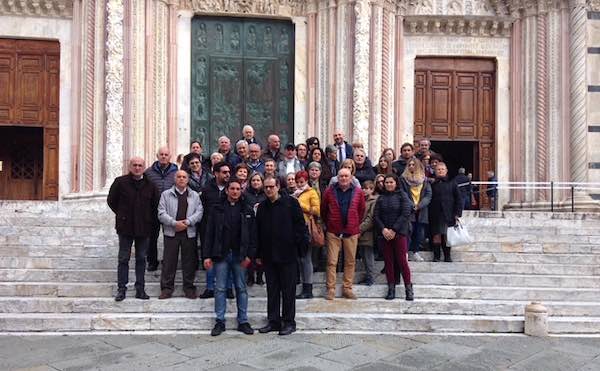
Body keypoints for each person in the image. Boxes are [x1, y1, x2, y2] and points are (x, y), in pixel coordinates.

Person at [203, 178, 257, 336]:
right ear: (226, 190)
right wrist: (206, 256)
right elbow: (209, 233)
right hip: (221, 255)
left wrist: (250, 256)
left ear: (241, 191)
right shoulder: (217, 209)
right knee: (219, 288)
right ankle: (220, 321)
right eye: (232, 189)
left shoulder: (247, 209)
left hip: (240, 256)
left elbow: (253, 235)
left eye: (238, 189)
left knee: (241, 288)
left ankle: (243, 321)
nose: (235, 191)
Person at [256, 176, 308, 335]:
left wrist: (298, 248)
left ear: (278, 186)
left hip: (288, 255)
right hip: (269, 256)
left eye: (271, 186)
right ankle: (273, 321)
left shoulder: (291, 203)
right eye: (266, 187)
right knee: (272, 290)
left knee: (288, 291)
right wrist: (258, 253)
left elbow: (300, 226)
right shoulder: (262, 207)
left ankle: (289, 322)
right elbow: (257, 232)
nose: (269, 190)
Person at [107, 157, 160, 301]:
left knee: (141, 258)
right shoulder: (120, 182)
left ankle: (140, 289)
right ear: (130, 166)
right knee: (123, 258)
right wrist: (122, 215)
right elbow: (111, 201)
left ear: (144, 167)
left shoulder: (151, 185)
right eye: (135, 165)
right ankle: (121, 289)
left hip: (144, 228)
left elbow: (155, 205)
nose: (137, 168)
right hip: (125, 227)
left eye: (140, 165)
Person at [157, 171, 204, 299]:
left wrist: (188, 222)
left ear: (188, 180)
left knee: (189, 261)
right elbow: (161, 212)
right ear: (174, 179)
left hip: (189, 233)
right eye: (179, 177)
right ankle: (166, 289)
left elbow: (199, 212)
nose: (181, 179)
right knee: (169, 262)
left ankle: (189, 288)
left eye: (184, 177)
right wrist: (174, 223)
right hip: (171, 233)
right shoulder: (166, 195)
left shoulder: (194, 195)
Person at [321, 168, 366, 300]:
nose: (344, 179)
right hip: (333, 231)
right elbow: (323, 210)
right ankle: (331, 289)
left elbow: (361, 210)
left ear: (351, 177)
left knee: (350, 261)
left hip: (351, 231)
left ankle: (347, 288)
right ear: (337, 178)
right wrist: (329, 223)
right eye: (341, 176)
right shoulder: (329, 191)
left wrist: (354, 223)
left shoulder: (358, 192)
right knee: (331, 261)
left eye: (346, 176)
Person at [374, 174, 413, 301]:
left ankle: (409, 288)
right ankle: (391, 288)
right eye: (386, 182)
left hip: (400, 233)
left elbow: (406, 212)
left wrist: (394, 229)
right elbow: (376, 216)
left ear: (396, 183)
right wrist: (383, 229)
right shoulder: (381, 198)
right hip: (385, 234)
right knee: (388, 262)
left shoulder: (402, 196)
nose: (389, 184)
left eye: (391, 182)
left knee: (402, 261)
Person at [199, 162, 235, 299]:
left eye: (228, 172)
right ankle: (209, 287)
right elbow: (201, 207)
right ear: (216, 173)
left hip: (228, 230)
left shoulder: (232, 188)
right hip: (209, 228)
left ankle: (229, 287)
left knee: (229, 258)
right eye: (224, 172)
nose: (227, 174)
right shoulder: (207, 189)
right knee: (209, 257)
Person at [144, 146, 178, 271]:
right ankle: (152, 261)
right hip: (153, 209)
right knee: (151, 236)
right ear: (157, 156)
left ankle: (167, 260)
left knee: (169, 236)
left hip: (170, 209)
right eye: (161, 154)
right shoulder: (148, 172)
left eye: (166, 154)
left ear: (170, 157)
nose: (164, 156)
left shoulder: (176, 172)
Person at [291, 171, 320, 299]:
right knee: (298, 259)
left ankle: (308, 288)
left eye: (301, 182)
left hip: (306, 228)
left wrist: (299, 203)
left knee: (306, 259)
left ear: (306, 181)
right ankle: (301, 286)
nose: (299, 184)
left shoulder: (311, 192)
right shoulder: (294, 194)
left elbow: (316, 210)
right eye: (297, 182)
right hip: (294, 229)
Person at [429, 162, 463, 262]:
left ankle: (447, 256)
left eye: (442, 169)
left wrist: (457, 213)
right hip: (435, 213)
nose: (440, 171)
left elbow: (458, 199)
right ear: (435, 171)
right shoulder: (432, 184)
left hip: (449, 213)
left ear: (446, 171)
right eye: (438, 169)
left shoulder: (452, 183)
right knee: (436, 235)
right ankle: (436, 256)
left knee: (447, 235)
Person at [400, 158, 431, 262]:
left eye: (413, 165)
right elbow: (402, 193)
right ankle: (405, 252)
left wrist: (419, 206)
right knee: (408, 231)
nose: (411, 167)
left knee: (419, 233)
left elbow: (428, 195)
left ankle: (415, 252)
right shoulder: (403, 179)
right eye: (409, 165)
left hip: (421, 211)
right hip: (409, 210)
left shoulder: (424, 180)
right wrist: (412, 205)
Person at [244, 172, 267, 286]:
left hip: (263, 225)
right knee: (251, 251)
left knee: (261, 251)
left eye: (258, 180)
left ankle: (259, 276)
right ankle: (250, 276)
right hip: (249, 225)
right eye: (253, 180)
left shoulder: (265, 194)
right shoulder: (246, 194)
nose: (256, 182)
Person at [358, 180, 377, 286]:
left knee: (368, 255)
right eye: (363, 188)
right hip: (360, 233)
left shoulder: (373, 201)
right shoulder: (362, 200)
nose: (364, 190)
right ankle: (367, 276)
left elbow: (370, 218)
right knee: (363, 256)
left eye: (367, 188)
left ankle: (371, 277)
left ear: (372, 189)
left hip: (368, 233)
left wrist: (360, 229)